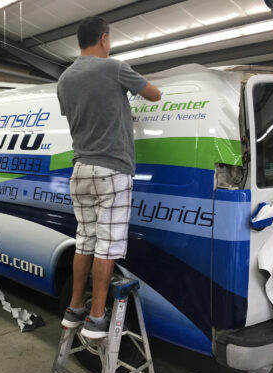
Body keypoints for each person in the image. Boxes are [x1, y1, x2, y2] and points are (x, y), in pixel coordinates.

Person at [57, 16, 161, 339]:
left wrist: (119, 112)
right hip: (112, 170)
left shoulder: (63, 80)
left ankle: (75, 308)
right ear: (104, 39)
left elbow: (86, 114)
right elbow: (154, 94)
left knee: (85, 239)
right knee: (107, 245)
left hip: (80, 170)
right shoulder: (115, 68)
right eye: (110, 39)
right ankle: (97, 316)